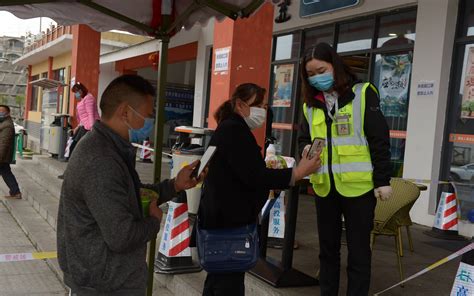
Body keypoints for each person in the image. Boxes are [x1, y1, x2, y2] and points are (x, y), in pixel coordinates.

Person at [57, 75, 204, 296]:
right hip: (105, 284)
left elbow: (131, 195)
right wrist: (155, 221)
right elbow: (122, 236)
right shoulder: (101, 160)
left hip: (109, 277)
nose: (149, 123)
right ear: (125, 112)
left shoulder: (110, 148)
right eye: (146, 115)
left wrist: (175, 185)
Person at [199, 83, 321, 296]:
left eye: (266, 107)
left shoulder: (231, 127)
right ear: (240, 105)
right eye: (260, 106)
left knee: (219, 281)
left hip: (221, 220)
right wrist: (297, 173)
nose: (263, 112)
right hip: (228, 224)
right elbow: (256, 176)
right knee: (227, 285)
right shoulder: (234, 130)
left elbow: (247, 171)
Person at [298, 43, 392, 296]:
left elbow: (379, 140)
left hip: (359, 188)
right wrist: (306, 150)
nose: (318, 77)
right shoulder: (309, 105)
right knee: (327, 251)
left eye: (322, 70)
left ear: (335, 66)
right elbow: (302, 138)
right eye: (311, 74)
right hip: (325, 187)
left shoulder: (362, 94)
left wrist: (382, 179)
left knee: (359, 252)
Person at [59, 82, 100, 179]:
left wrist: (92, 129)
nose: (76, 94)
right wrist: (78, 127)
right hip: (84, 127)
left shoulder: (89, 98)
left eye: (77, 92)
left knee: (77, 150)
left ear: (81, 90)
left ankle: (73, 174)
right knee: (73, 149)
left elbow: (90, 115)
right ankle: (69, 173)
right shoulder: (83, 99)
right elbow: (83, 117)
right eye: (75, 92)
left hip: (89, 128)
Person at [0, 105, 21, 199]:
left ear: (8, 113)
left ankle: (15, 191)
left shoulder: (7, 125)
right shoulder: (3, 123)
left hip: (2, 155)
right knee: (6, 172)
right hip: (3, 156)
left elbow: (4, 143)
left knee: (6, 172)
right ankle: (15, 191)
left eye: (2, 111)